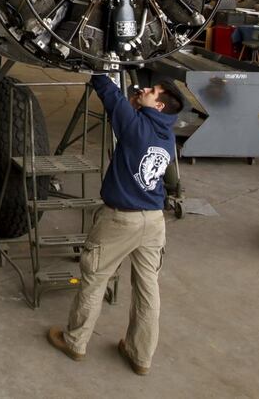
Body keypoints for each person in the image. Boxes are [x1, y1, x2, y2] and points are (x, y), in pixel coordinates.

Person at [47, 74, 181, 376]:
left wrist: (98, 69)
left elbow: (109, 93)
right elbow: (135, 121)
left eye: (152, 91)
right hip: (154, 221)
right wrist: (138, 105)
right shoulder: (166, 135)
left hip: (121, 219)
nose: (144, 89)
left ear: (158, 105)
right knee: (148, 288)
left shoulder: (135, 127)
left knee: (95, 278)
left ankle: (75, 341)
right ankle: (140, 355)